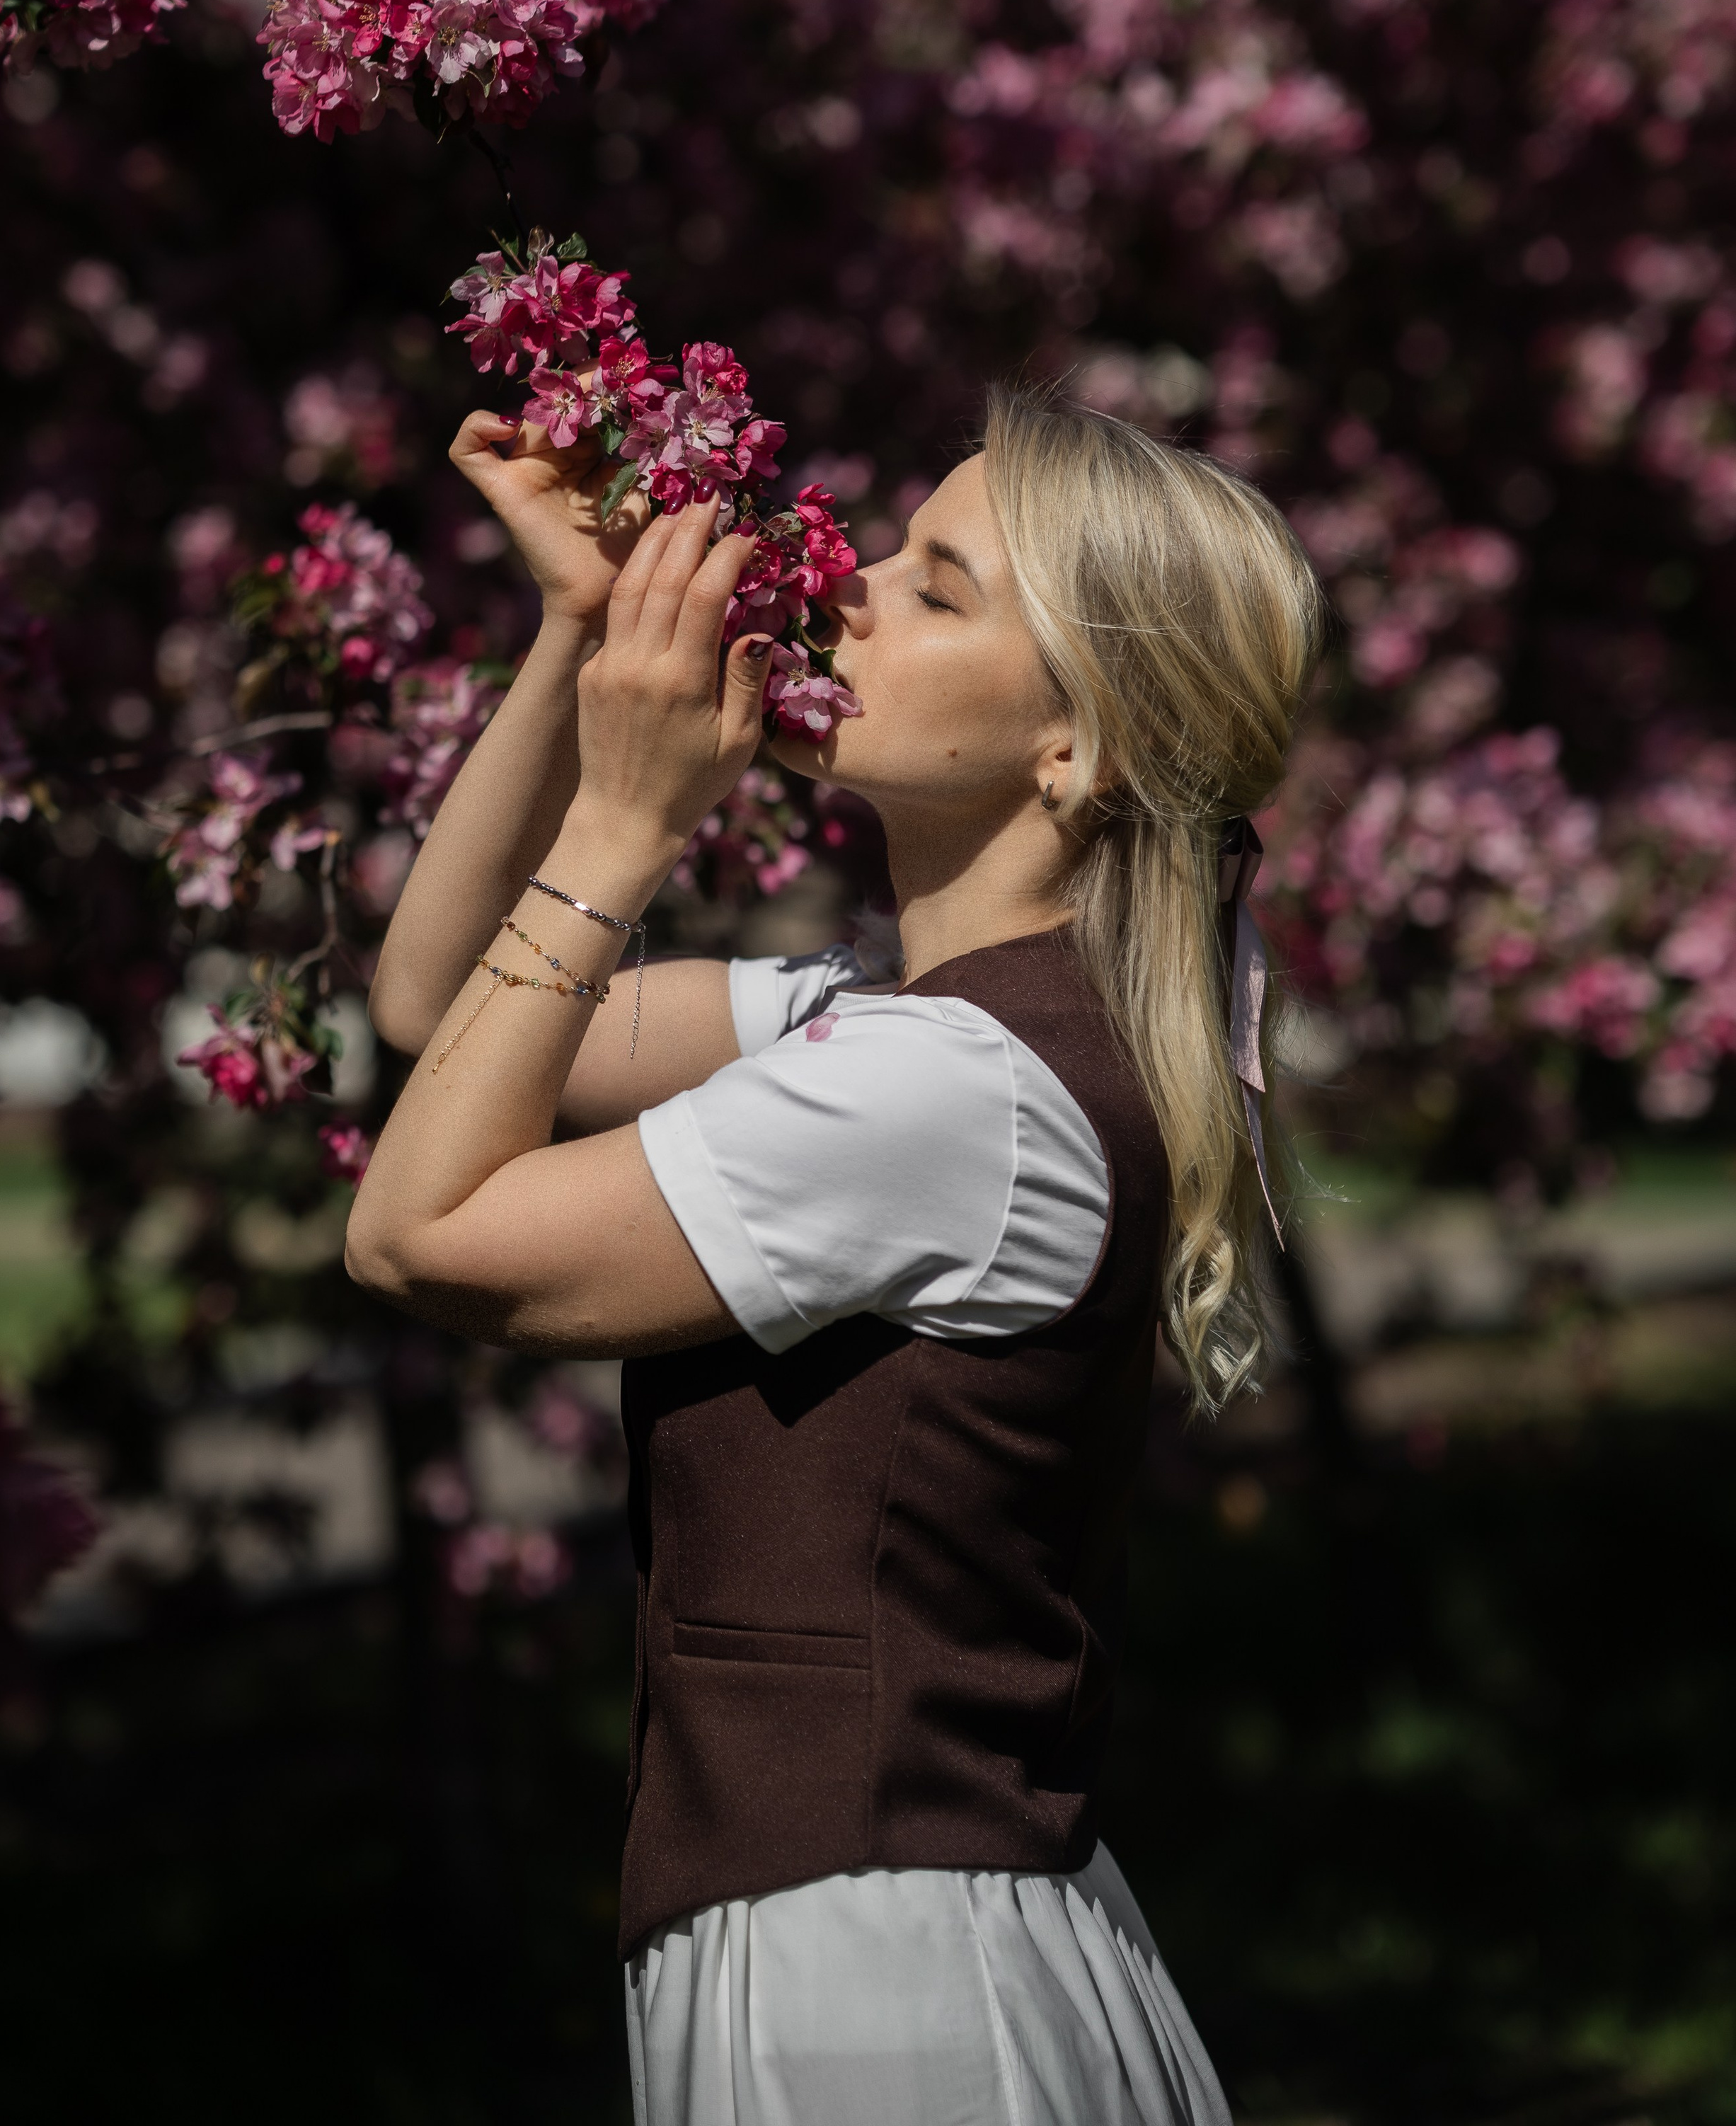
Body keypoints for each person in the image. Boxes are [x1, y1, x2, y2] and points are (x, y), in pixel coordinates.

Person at [350, 380, 1326, 2126]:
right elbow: (445, 1005)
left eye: (935, 588)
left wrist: (625, 829)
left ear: (1075, 748)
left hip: (878, 1980)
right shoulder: (901, 1023)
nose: (846, 588)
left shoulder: (944, 1090)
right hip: (890, 1931)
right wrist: (579, 634)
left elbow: (419, 1236)